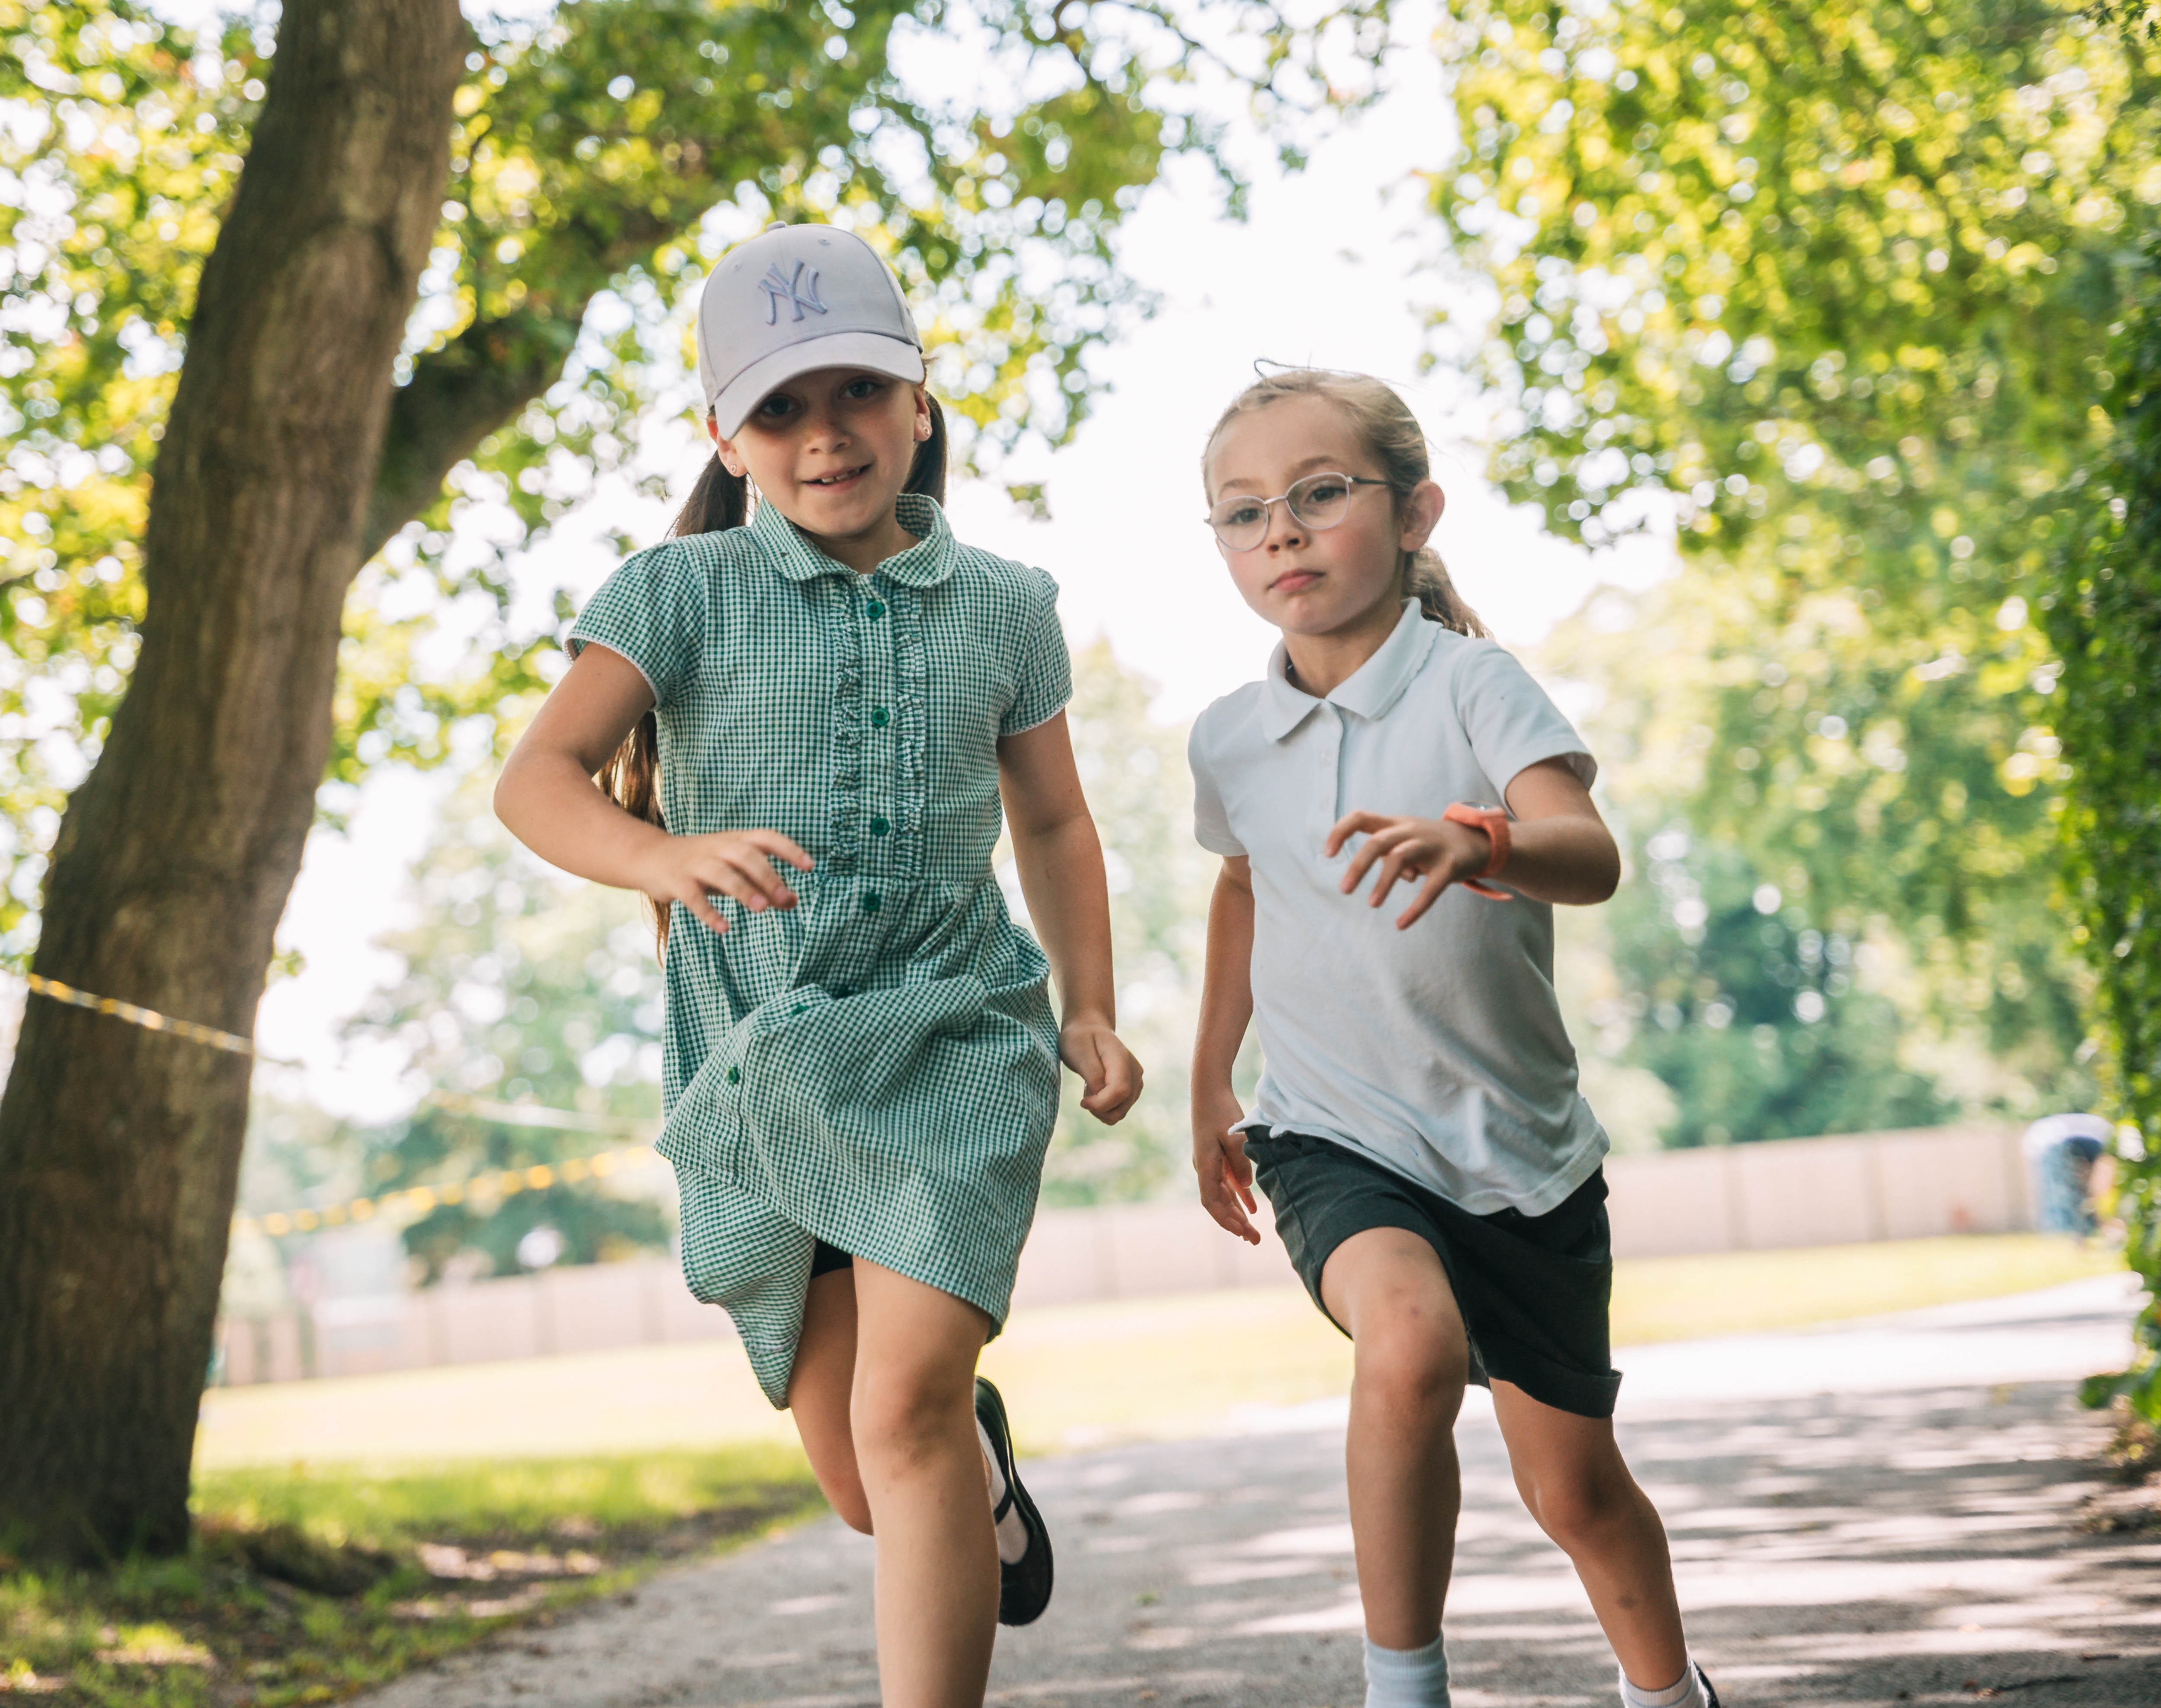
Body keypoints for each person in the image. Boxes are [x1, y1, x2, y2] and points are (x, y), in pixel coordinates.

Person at [494, 222, 1141, 1707]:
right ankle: (975, 1458)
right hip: (763, 1063)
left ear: (920, 401)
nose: (824, 434)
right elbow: (535, 779)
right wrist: (654, 855)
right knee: (868, 1478)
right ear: (725, 434)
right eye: (778, 408)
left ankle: (943, 1470)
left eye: (855, 391)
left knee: (899, 1416)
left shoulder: (1006, 607)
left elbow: (1053, 817)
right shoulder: (678, 592)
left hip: (953, 1035)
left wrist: (1089, 1003)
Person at [1185, 369, 1722, 1708]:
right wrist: (1208, 1079)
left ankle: (1670, 1694)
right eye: (1244, 514)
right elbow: (1245, 885)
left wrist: (1475, 837)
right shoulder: (1230, 739)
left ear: (1413, 511)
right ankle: (1402, 1686)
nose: (1283, 534)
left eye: (1320, 495)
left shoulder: (1476, 686)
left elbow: (1588, 855)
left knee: (1578, 1491)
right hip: (1331, 1132)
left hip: (1521, 1155)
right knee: (1408, 1342)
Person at [2022, 1111, 2114, 1236]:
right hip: (2059, 1144)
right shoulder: (2099, 1130)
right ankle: (2081, 1229)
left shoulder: (2043, 1134)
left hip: (2054, 1144)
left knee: (2067, 1194)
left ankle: (2076, 1229)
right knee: (2086, 1192)